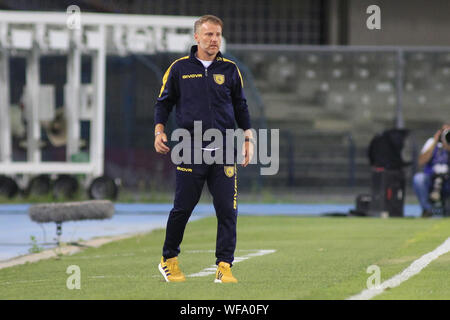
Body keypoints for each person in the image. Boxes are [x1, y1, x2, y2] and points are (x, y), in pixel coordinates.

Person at [153, 15, 254, 283]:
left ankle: (224, 266)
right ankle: (169, 259)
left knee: (227, 210)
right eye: (209, 34)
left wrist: (248, 139)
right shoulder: (179, 69)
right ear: (196, 37)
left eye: (218, 34)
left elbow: (241, 106)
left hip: (224, 149)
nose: (214, 39)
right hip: (190, 148)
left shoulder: (231, 69)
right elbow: (163, 103)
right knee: (183, 207)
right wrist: (159, 131)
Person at [413, 124, 450, 217]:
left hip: (447, 181)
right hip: (431, 179)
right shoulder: (431, 142)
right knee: (418, 178)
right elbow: (421, 161)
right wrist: (435, 142)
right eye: (444, 132)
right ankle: (427, 210)